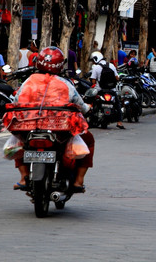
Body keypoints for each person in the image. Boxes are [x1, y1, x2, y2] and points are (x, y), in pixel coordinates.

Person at [10, 46, 92, 192]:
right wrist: (87, 108)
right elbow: (80, 105)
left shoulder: (29, 81)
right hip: (59, 127)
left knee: (18, 141)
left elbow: (16, 101)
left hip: (29, 126)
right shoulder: (66, 84)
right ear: (60, 65)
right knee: (89, 139)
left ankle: (23, 177)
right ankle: (79, 181)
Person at [89, 51, 125, 129]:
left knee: (92, 102)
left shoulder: (96, 67)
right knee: (117, 104)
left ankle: (90, 121)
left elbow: (93, 81)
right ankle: (119, 122)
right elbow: (117, 78)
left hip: (100, 90)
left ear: (95, 59)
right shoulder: (111, 65)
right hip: (112, 90)